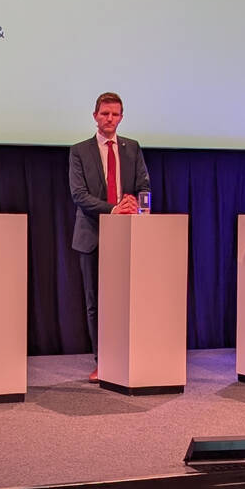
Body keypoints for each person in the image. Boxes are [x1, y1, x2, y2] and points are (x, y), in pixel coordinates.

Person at [68, 92, 150, 382]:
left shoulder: (132, 147)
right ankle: (102, 361)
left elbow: (144, 187)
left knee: (127, 300)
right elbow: (79, 195)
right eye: (104, 114)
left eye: (115, 114)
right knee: (96, 302)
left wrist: (134, 205)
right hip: (92, 235)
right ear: (95, 116)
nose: (109, 119)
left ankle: (128, 358)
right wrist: (114, 208)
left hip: (127, 236)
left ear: (121, 117)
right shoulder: (79, 150)